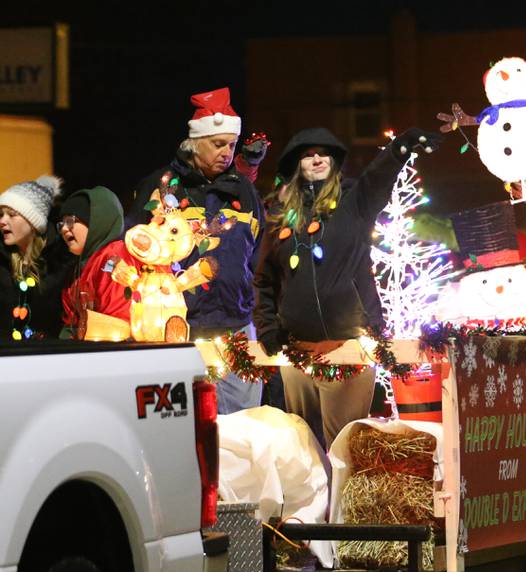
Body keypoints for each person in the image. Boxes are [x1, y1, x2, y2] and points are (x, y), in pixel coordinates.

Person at [253, 126, 441, 448]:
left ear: (334, 160)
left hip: (349, 349)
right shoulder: (281, 217)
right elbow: (264, 278)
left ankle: (340, 501)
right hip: (297, 352)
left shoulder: (355, 202)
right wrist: (268, 326)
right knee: (303, 447)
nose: (316, 159)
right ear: (296, 165)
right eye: (307, 154)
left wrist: (399, 149)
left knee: (344, 447)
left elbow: (377, 177)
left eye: (323, 153)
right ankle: (312, 501)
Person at [126, 87, 267, 414]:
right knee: (190, 429)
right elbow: (136, 247)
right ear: (193, 143)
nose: (227, 152)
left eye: (232, 145)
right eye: (218, 144)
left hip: (236, 329)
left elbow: (255, 252)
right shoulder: (160, 188)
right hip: (179, 330)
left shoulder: (244, 191)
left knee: (245, 428)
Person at [0, 175, 75, 340]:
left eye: (11, 215)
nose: (2, 221)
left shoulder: (60, 261)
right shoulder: (3, 262)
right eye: (1, 215)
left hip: (47, 357)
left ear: (33, 222)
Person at [59, 186, 133, 339]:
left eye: (71, 221)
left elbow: (117, 322)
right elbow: (70, 324)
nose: (64, 229)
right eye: (61, 224)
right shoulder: (76, 271)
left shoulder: (113, 259)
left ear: (96, 221)